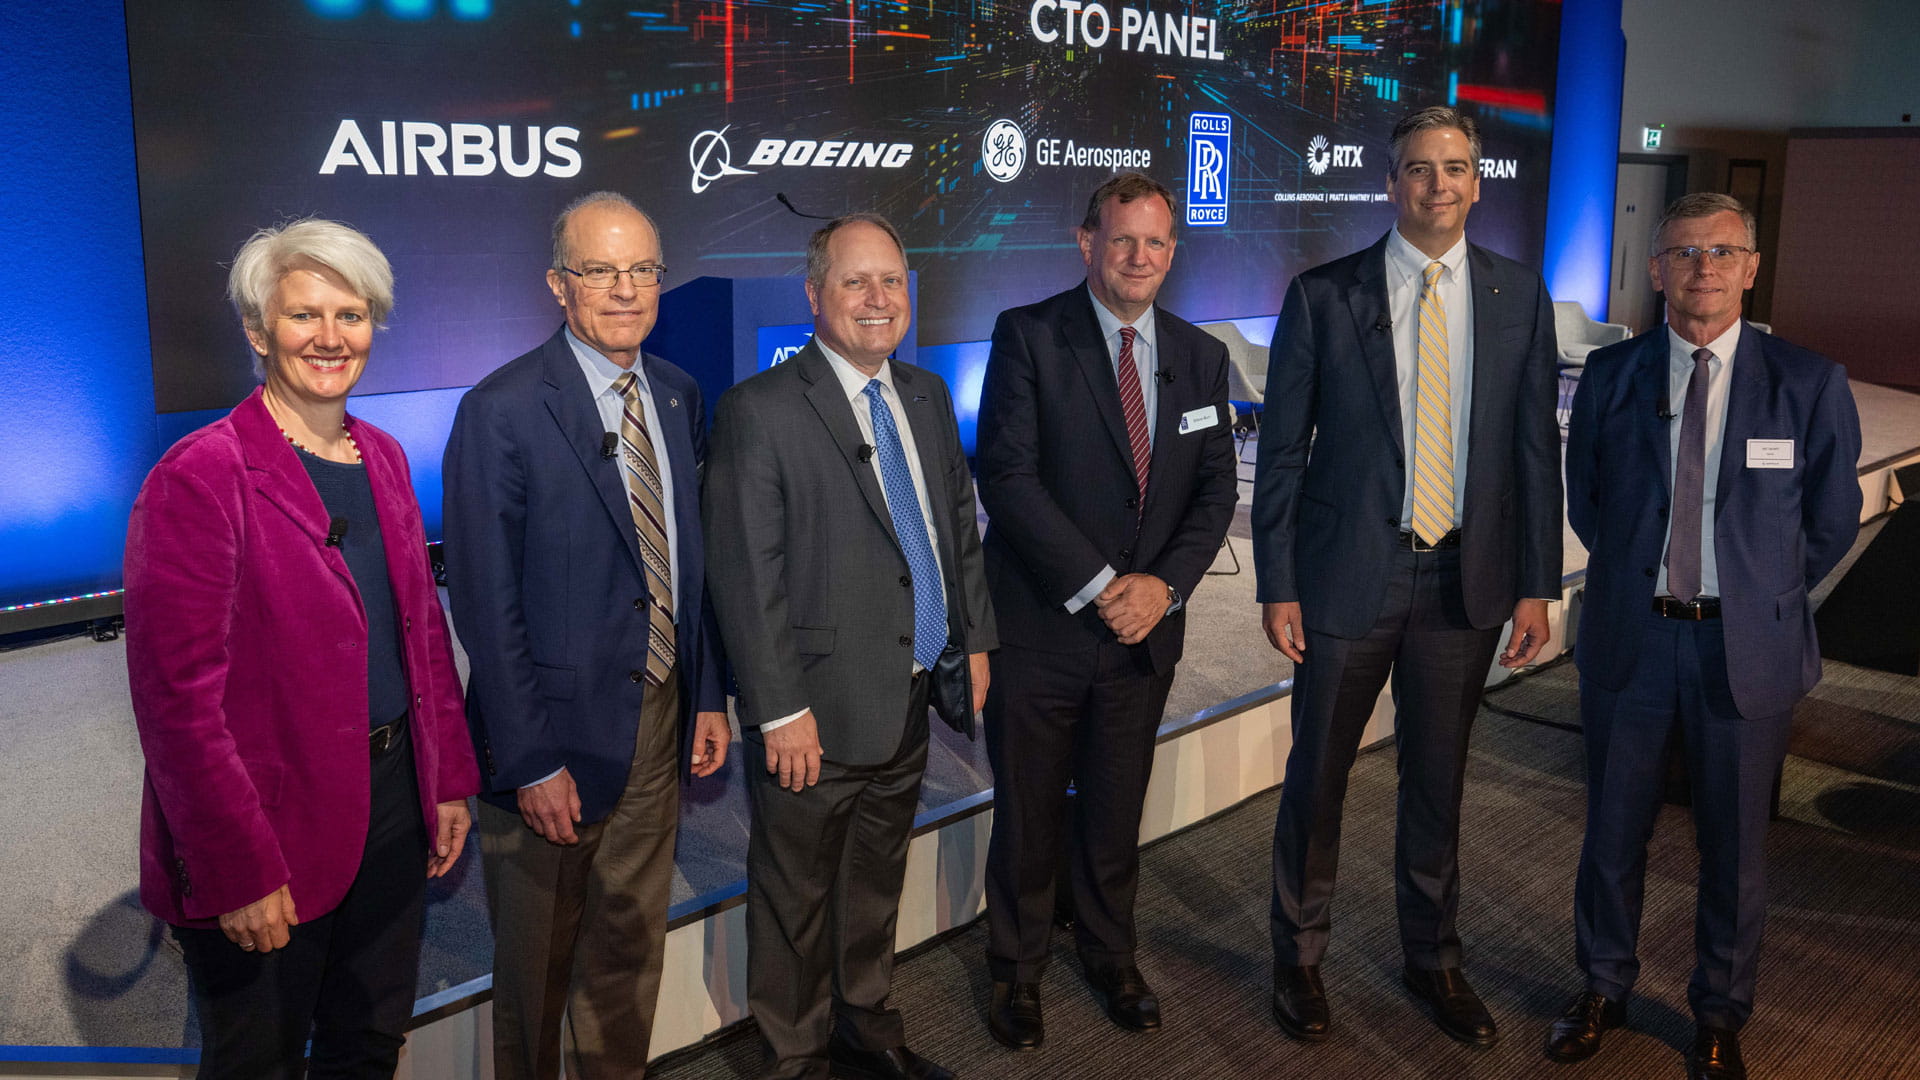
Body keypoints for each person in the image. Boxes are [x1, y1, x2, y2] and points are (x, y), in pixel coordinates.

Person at [124, 219, 480, 1079]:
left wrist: (451, 780)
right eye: (304, 315)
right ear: (257, 331)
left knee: (368, 1040)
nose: (330, 337)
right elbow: (178, 708)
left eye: (351, 315)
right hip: (269, 824)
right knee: (260, 1062)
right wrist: (236, 869)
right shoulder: (199, 476)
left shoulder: (385, 456)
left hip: (393, 801)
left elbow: (421, 634)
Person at [1251, 104, 1562, 1046]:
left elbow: (1531, 452)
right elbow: (1282, 456)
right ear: (1391, 184)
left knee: (1438, 780)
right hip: (1351, 577)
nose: (1438, 186)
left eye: (1455, 168)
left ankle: (1433, 959)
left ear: (1477, 182)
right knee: (1319, 777)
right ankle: (1299, 960)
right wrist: (1278, 581)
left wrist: (1538, 582)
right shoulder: (1322, 294)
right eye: (1419, 170)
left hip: (1466, 582)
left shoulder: (1519, 296)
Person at [1550, 193, 1861, 1080]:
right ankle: (1602, 987)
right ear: (1657, 271)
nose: (1704, 269)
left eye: (1723, 252)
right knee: (1611, 835)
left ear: (1752, 267)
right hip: (1631, 643)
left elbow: (1830, 521)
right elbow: (1591, 502)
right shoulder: (1612, 378)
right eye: (1684, 253)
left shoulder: (1807, 381)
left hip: (1745, 653)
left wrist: (1757, 586)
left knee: (1732, 850)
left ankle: (1719, 1014)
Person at [442, 191, 731, 1079]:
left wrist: (709, 694)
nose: (625, 289)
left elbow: (695, 566)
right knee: (537, 966)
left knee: (628, 945)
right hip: (552, 739)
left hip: (659, 715)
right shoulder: (501, 410)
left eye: (642, 269)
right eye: (600, 270)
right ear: (557, 286)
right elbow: (486, 608)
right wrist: (529, 760)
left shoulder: (679, 396)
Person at [704, 212, 996, 1080]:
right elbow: (744, 575)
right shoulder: (758, 409)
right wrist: (778, 707)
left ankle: (865, 1025)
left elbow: (956, 534)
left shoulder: (927, 394)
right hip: (813, 711)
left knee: (873, 880)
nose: (878, 300)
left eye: (892, 282)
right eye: (855, 282)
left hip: (908, 692)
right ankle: (794, 1054)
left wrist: (973, 641)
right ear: (814, 296)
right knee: (795, 893)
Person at [972, 172, 1238, 1050]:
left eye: (1155, 242)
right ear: (1086, 242)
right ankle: (1014, 969)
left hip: (1146, 636)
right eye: (1121, 239)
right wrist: (1100, 585)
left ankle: (1109, 951)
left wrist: (1161, 589)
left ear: (1173, 251)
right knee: (1031, 807)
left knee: (1117, 807)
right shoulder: (1029, 337)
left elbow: (1211, 495)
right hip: (1043, 628)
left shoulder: (1200, 356)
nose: (1138, 257)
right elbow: (1006, 477)